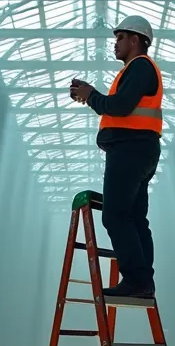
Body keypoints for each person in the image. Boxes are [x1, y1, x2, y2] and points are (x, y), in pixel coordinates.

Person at [68, 15, 163, 299]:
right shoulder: (137, 70)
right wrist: (92, 96)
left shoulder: (141, 66)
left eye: (120, 38)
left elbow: (119, 107)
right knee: (135, 218)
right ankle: (143, 281)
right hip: (140, 149)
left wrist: (91, 95)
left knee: (115, 216)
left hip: (130, 149)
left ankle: (136, 280)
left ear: (136, 40)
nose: (115, 43)